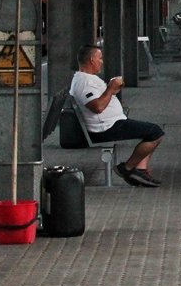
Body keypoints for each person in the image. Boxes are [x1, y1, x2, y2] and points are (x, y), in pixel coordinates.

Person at [70, 44, 165, 188]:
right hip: (105, 128)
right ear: (91, 60)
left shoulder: (86, 78)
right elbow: (97, 107)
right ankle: (127, 168)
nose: (102, 61)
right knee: (155, 132)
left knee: (151, 131)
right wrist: (111, 88)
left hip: (111, 122)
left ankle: (140, 171)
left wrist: (111, 89)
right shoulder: (84, 82)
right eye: (100, 58)